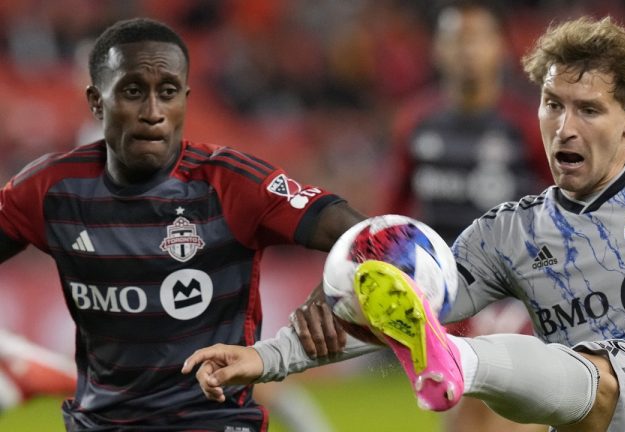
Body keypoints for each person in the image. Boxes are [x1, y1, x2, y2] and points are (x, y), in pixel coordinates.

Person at [183, 16, 625, 431]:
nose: (564, 128)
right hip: (575, 403)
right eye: (553, 105)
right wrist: (265, 358)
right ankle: (459, 361)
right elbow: (395, 306)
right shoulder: (506, 234)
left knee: (595, 374)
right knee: (544, 382)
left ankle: (463, 362)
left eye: (589, 109)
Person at [0, 17, 365, 431]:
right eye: (133, 92)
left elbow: (369, 235)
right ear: (96, 101)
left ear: (186, 99)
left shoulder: (232, 182)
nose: (153, 112)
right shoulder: (49, 189)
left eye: (168, 92)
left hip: (213, 420)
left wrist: (331, 289)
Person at [385, 2, 548, 430]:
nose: (466, 50)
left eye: (476, 38)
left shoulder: (526, 125)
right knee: (462, 415)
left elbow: (561, 205)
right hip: (449, 298)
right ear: (438, 50)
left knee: (509, 409)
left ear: (499, 48)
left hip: (512, 294)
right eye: (456, 39)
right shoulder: (416, 123)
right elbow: (395, 211)